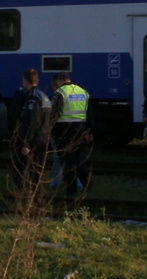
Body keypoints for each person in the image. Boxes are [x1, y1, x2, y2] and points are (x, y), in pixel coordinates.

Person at [50, 71, 93, 200]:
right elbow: (90, 114)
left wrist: (50, 131)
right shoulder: (83, 92)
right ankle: (87, 182)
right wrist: (90, 131)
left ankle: (71, 191)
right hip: (80, 130)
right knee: (78, 160)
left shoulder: (60, 93)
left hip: (64, 131)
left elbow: (54, 114)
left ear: (59, 81)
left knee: (67, 163)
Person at [11, 68, 52, 191]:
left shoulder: (32, 98)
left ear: (25, 81)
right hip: (43, 138)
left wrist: (25, 143)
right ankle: (37, 200)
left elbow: (32, 122)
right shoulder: (44, 97)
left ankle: (27, 193)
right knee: (36, 173)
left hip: (33, 140)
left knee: (16, 168)